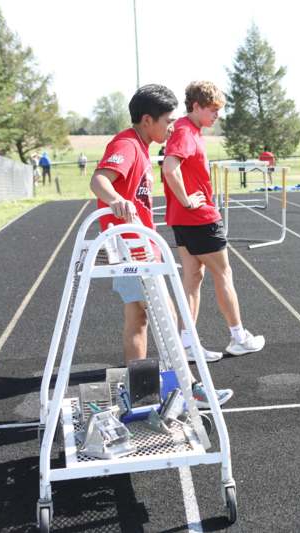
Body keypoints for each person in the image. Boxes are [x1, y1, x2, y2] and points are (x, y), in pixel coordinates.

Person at [90, 83, 232, 407]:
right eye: (167, 121)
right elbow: (98, 179)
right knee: (167, 317)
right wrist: (115, 201)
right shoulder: (126, 145)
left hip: (136, 248)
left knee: (137, 320)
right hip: (132, 250)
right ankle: (190, 389)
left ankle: (139, 391)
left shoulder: (141, 148)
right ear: (146, 120)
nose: (171, 127)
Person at [163, 80, 265, 362]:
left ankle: (186, 344)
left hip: (184, 219)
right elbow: (170, 169)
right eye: (213, 110)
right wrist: (187, 200)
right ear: (196, 106)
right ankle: (238, 337)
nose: (217, 116)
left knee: (193, 277)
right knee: (223, 274)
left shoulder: (187, 129)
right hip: (198, 217)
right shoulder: (185, 132)